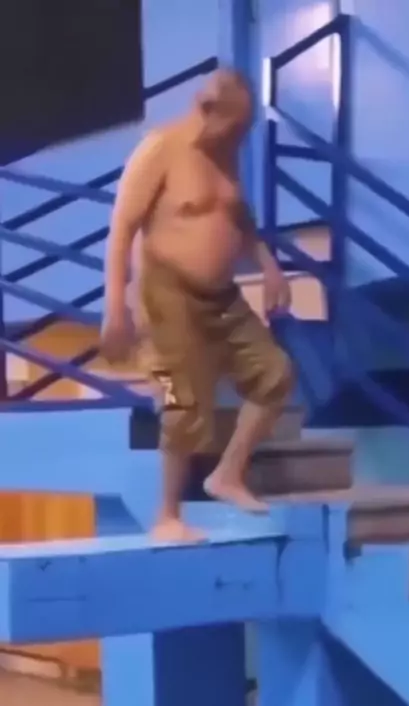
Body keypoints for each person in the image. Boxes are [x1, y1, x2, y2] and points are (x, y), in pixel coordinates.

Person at [101, 68, 293, 542]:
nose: (239, 138)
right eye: (234, 127)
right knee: (181, 401)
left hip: (222, 297)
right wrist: (115, 306)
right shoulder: (160, 149)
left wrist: (268, 265)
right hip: (165, 295)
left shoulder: (225, 153)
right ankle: (166, 515)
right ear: (206, 110)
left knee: (275, 375)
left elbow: (238, 216)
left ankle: (227, 474)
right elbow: (121, 229)